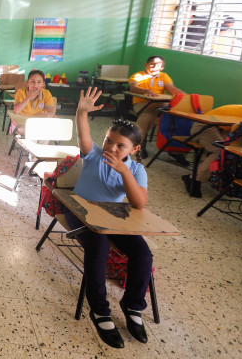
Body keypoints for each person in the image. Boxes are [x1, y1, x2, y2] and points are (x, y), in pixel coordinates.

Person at [70, 87, 152, 349]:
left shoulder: (136, 170)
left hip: (112, 218)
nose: (111, 148)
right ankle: (99, 310)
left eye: (120, 146)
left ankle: (132, 305)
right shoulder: (93, 154)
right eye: (108, 141)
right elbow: (83, 134)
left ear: (134, 149)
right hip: (81, 213)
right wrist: (81, 112)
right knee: (99, 247)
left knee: (143, 253)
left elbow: (138, 203)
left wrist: (124, 172)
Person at [181, 105, 242, 197]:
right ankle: (193, 178)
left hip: (220, 129)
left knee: (230, 150)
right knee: (220, 151)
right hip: (204, 127)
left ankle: (212, 174)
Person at [128, 56, 185, 157]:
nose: (154, 67)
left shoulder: (164, 76)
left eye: (158, 65)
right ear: (146, 65)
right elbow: (133, 88)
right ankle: (139, 144)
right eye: (152, 64)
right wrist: (146, 91)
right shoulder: (138, 75)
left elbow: (172, 89)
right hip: (142, 104)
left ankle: (175, 148)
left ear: (162, 68)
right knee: (149, 115)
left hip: (159, 105)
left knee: (175, 114)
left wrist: (187, 98)